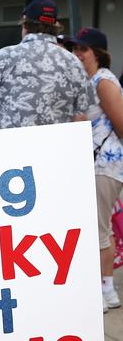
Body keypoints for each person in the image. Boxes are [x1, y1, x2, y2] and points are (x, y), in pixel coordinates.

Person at [0, 0, 95, 129]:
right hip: (54, 147)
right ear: (55, 26)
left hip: (8, 147)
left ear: (25, 24)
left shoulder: (4, 56)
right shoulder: (73, 62)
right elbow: (81, 116)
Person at [68, 27, 123, 313]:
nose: (77, 54)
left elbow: (122, 124)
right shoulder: (89, 80)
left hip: (106, 164)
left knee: (99, 231)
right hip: (98, 163)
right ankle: (107, 290)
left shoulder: (103, 81)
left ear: (98, 53)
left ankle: (103, 292)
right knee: (102, 229)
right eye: (75, 49)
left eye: (83, 49)